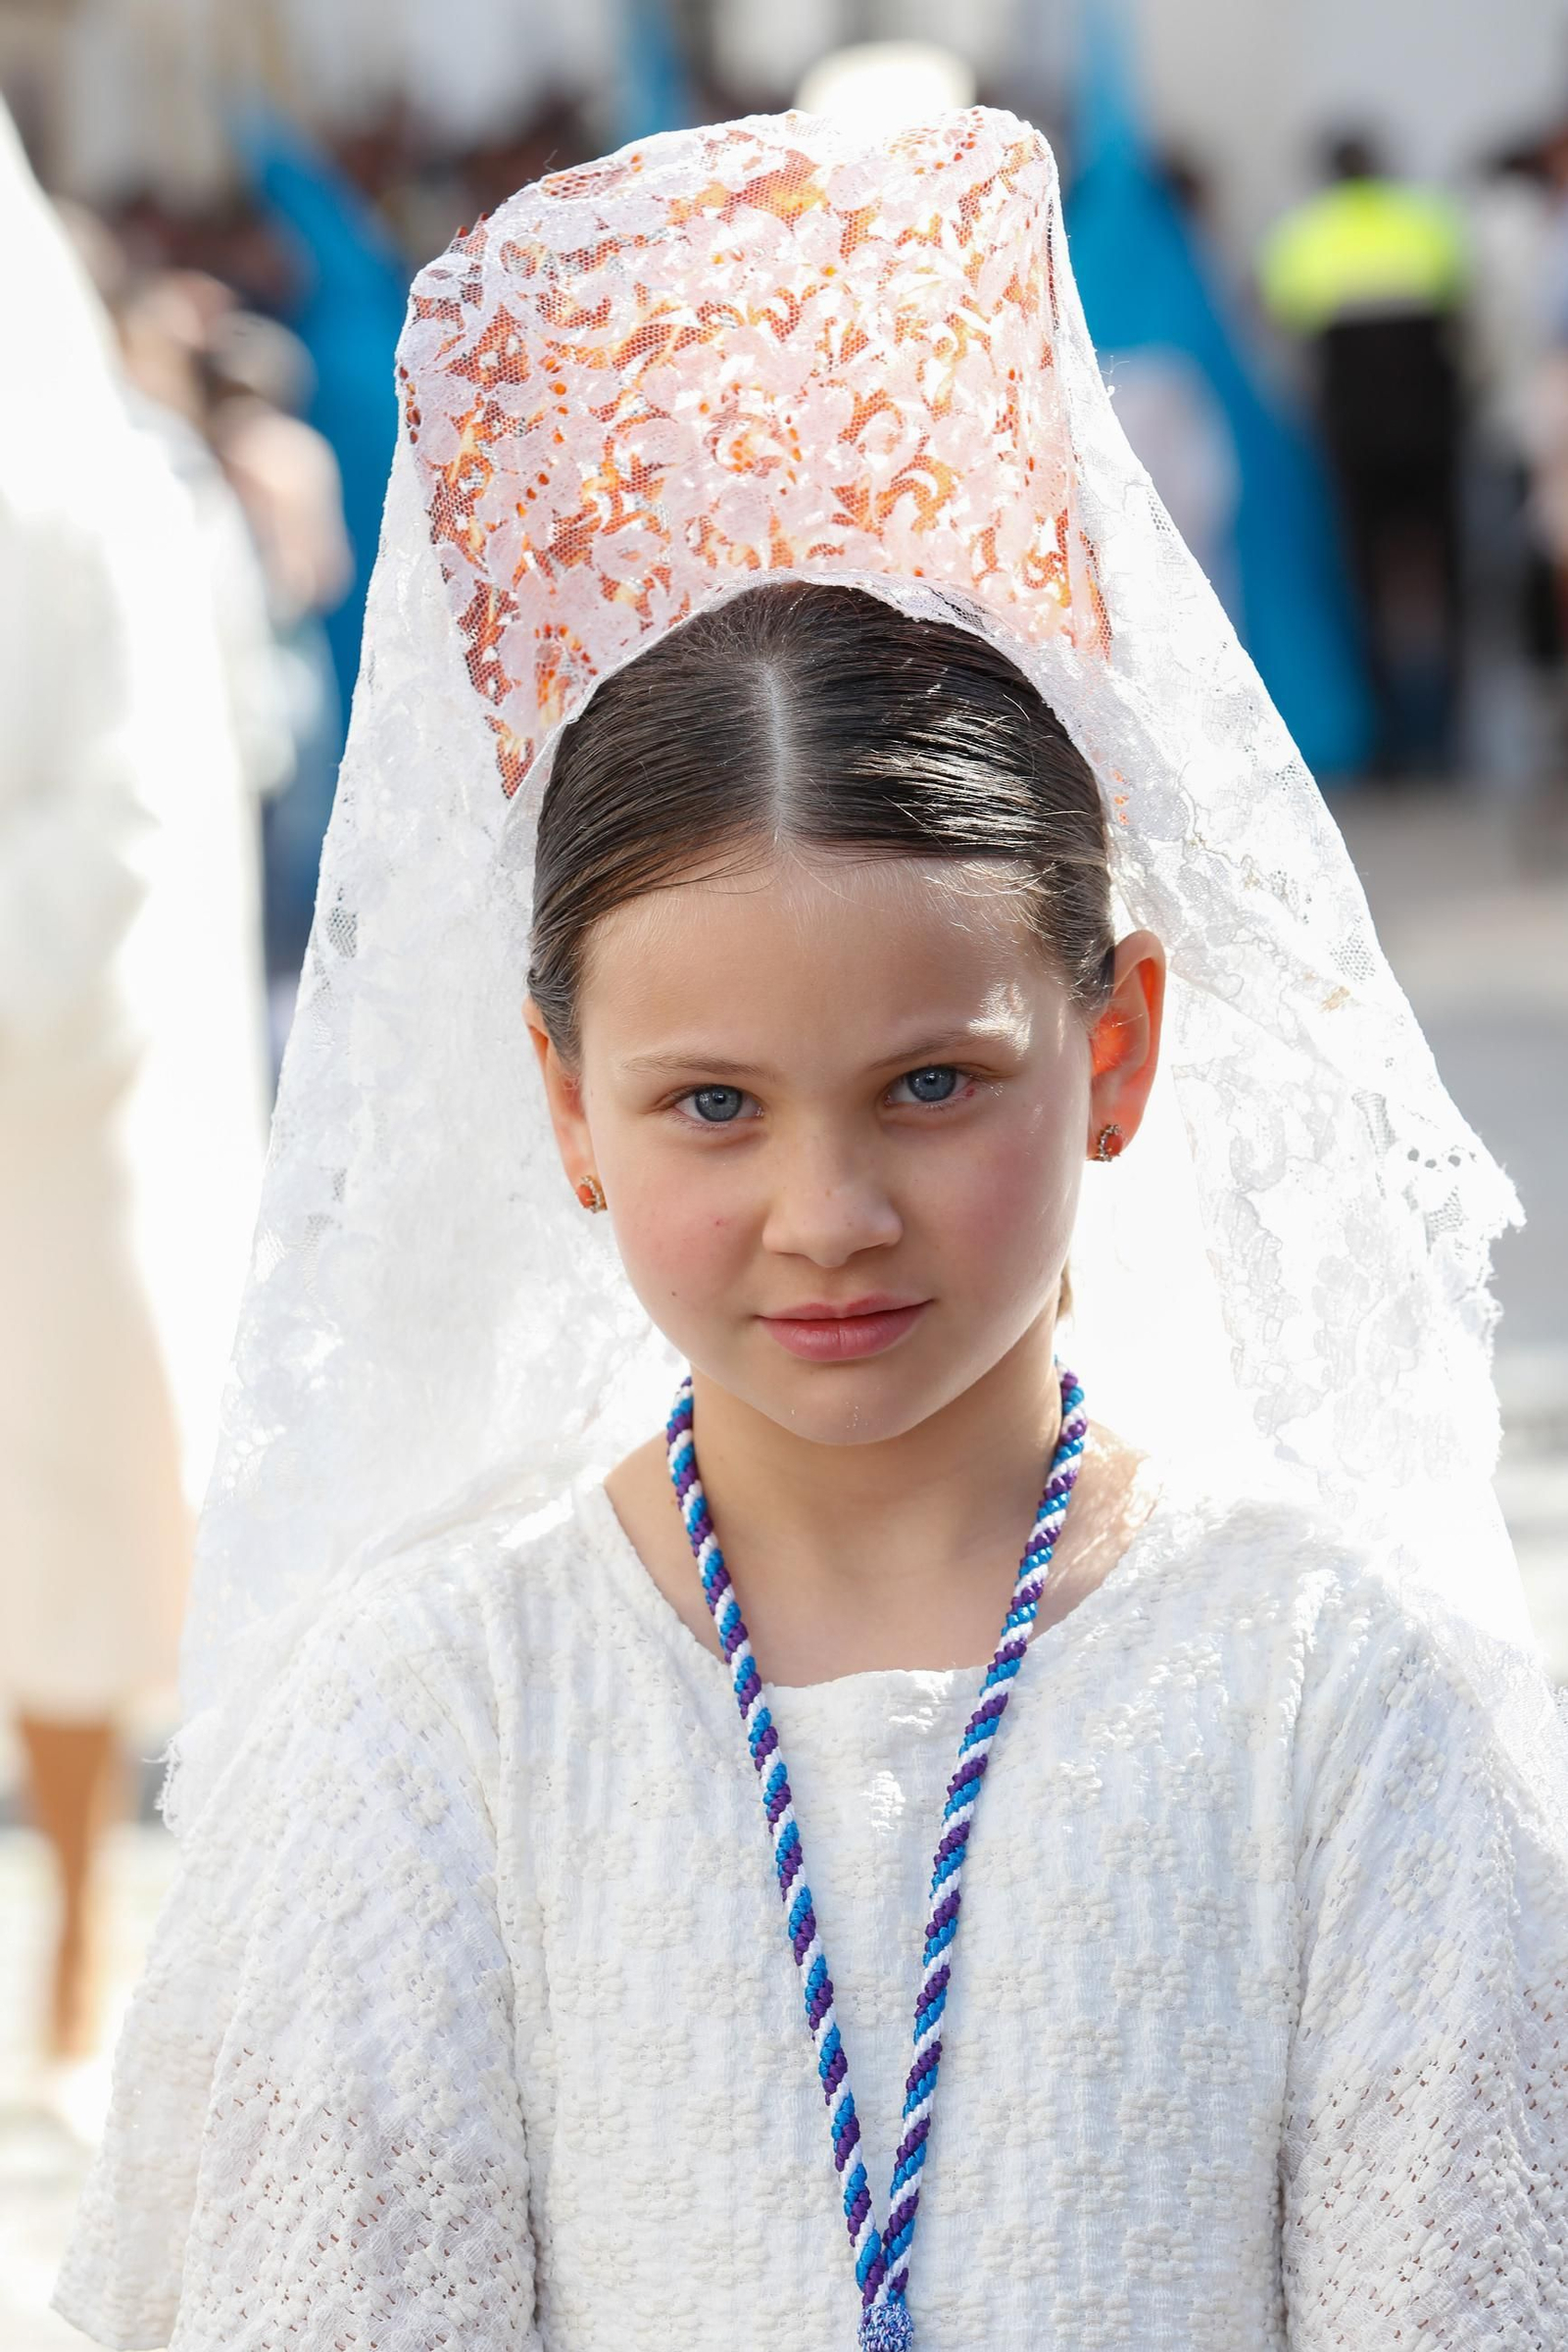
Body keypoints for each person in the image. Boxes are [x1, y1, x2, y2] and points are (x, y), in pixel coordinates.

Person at [53, 110, 1566, 2350]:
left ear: (1119, 1037)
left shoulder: (1328, 1707)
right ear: (562, 1099)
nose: (826, 1211)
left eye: (933, 1083)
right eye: (710, 1106)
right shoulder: (439, 1721)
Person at [0, 111, 266, 2084]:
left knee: (92, 1539)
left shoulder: (75, 498)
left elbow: (138, 820)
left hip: (57, 1107)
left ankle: (98, 1944)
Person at [1262, 130, 1469, 776]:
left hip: (1354, 440)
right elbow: (1462, 315)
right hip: (1433, 433)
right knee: (1448, 583)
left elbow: (1283, 330)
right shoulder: (1429, 223)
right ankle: (1447, 735)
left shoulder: (1303, 236)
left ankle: (1383, 739)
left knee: (1362, 588)